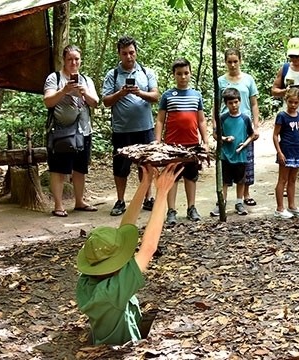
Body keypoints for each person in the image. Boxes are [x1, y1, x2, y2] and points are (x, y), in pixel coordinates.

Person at [76, 163, 182, 345]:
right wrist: (162, 193)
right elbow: (148, 248)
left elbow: (126, 226)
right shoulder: (113, 290)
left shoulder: (87, 280)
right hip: (119, 350)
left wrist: (144, 184)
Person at [102, 36, 159, 216]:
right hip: (122, 130)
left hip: (145, 128)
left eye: (132, 52)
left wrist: (139, 93)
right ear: (119, 54)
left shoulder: (146, 72)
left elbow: (156, 96)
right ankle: (120, 200)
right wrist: (121, 93)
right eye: (125, 53)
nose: (129, 56)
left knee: (146, 165)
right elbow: (105, 101)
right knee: (121, 167)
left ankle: (147, 198)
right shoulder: (113, 75)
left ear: (136, 52)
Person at [43, 45, 99, 217]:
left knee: (80, 169)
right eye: (70, 59)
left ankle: (79, 201)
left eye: (76, 59)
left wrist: (84, 93)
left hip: (83, 131)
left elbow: (95, 102)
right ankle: (58, 205)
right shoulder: (54, 78)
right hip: (61, 132)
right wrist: (64, 90)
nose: (73, 62)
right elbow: (48, 101)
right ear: (64, 60)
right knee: (58, 169)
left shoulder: (86, 80)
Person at [154, 58, 209, 225]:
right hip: (172, 145)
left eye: (186, 73)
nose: (183, 77)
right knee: (172, 177)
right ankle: (171, 210)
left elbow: (201, 120)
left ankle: (191, 207)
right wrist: (157, 142)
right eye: (179, 74)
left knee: (191, 177)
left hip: (192, 144)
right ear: (174, 75)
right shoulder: (168, 96)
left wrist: (205, 141)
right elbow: (160, 120)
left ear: (190, 73)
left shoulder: (196, 95)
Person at [270, 37, 299, 199]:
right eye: (292, 56)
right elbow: (274, 90)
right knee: (287, 147)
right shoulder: (284, 69)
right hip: (288, 116)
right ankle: (285, 183)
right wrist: (286, 91)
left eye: (297, 56)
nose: (295, 59)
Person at [217, 48, 260, 206]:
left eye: (235, 61)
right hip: (226, 124)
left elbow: (254, 103)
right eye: (229, 62)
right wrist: (215, 122)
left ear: (240, 61)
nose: (233, 65)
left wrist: (256, 125)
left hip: (244, 123)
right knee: (227, 160)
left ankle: (245, 194)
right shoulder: (221, 80)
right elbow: (216, 104)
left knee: (246, 160)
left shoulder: (248, 79)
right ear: (225, 62)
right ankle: (224, 197)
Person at [210, 88, 254, 217]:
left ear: (240, 101)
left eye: (236, 102)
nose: (234, 105)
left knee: (240, 181)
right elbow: (215, 134)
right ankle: (221, 204)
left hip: (240, 156)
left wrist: (244, 144)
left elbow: (252, 135)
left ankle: (239, 203)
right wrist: (224, 139)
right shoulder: (222, 118)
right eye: (230, 103)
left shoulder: (245, 119)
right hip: (225, 155)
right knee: (224, 181)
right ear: (226, 104)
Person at [273, 88, 299, 219]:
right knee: (283, 179)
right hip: (286, 151)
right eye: (290, 102)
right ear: (286, 101)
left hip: (297, 151)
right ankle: (279, 208)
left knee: (293, 179)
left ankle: (292, 206)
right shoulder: (282, 116)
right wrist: (279, 152)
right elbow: (275, 135)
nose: (293, 105)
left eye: (296, 102)